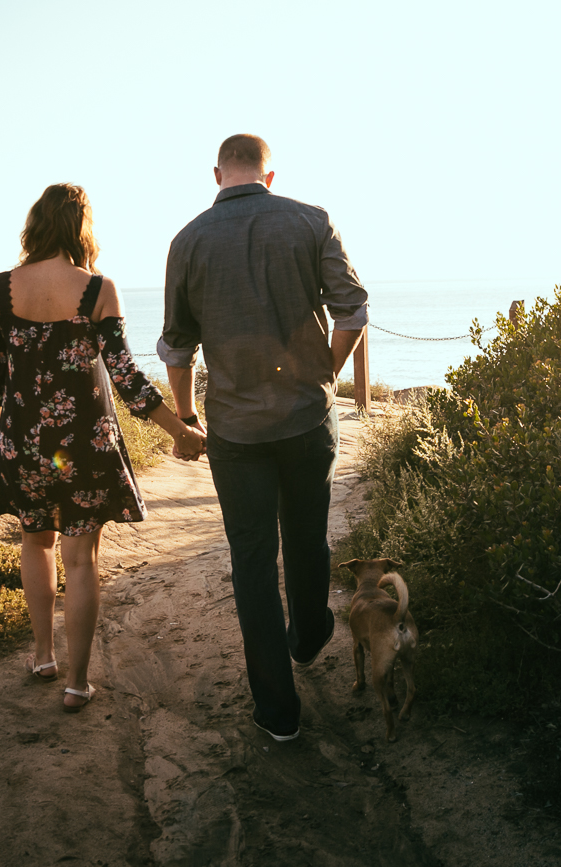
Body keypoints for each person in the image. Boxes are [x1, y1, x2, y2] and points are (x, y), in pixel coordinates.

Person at [158, 133, 369, 741]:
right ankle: (307, 638)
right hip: (306, 416)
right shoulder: (310, 221)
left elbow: (176, 346)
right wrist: (327, 372)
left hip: (234, 430)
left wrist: (185, 415)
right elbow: (351, 310)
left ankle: (278, 714)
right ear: (269, 176)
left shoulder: (188, 240)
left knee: (251, 561)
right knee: (306, 534)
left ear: (217, 174)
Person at [0, 183, 206, 713]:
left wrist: (0, 439)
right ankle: (78, 683)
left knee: (35, 543)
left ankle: (42, 655)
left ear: (35, 225)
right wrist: (179, 429)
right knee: (81, 561)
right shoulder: (97, 288)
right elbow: (126, 378)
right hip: (84, 445)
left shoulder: (0, 289)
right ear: (83, 228)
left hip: (22, 444)